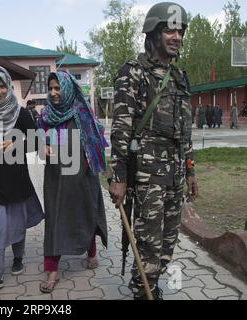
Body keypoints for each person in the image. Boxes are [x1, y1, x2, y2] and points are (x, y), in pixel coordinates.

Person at [109, 2, 199, 300]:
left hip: (173, 177)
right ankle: (142, 292)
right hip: (148, 180)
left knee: (167, 243)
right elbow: (121, 129)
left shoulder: (179, 76)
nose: (177, 36)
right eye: (170, 29)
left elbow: (184, 130)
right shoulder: (132, 72)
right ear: (154, 33)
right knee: (148, 244)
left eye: (180, 31)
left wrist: (190, 170)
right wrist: (118, 177)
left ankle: (152, 285)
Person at [0, 66, 44, 291]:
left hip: (17, 178)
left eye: (3, 86)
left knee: (16, 222)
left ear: (10, 86)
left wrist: (17, 142)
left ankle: (18, 258)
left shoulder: (20, 113)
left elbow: (36, 142)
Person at [37, 71, 108, 293]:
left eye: (58, 88)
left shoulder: (83, 114)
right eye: (51, 88)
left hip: (83, 177)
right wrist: (43, 146)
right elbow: (38, 144)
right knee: (55, 219)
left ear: (67, 88)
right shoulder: (45, 115)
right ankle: (52, 269)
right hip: (55, 179)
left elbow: (97, 145)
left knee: (85, 213)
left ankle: (91, 251)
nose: (53, 93)